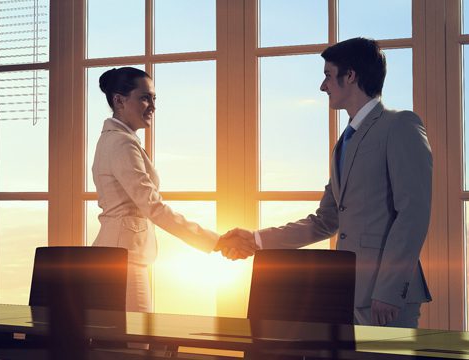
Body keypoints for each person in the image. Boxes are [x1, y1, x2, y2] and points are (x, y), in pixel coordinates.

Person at [218, 37, 433, 328]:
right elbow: (325, 221)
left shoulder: (400, 125)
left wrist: (389, 290)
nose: (323, 86)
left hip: (385, 298)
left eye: (328, 76)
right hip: (346, 292)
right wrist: (256, 240)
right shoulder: (343, 143)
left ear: (351, 76)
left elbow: (413, 213)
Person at [92, 67, 255, 313]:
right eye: (145, 97)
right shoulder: (121, 143)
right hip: (125, 258)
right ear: (119, 100)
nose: (152, 106)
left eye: (154, 98)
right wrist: (215, 241)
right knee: (137, 344)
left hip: (121, 254)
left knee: (127, 343)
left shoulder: (117, 139)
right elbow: (153, 207)